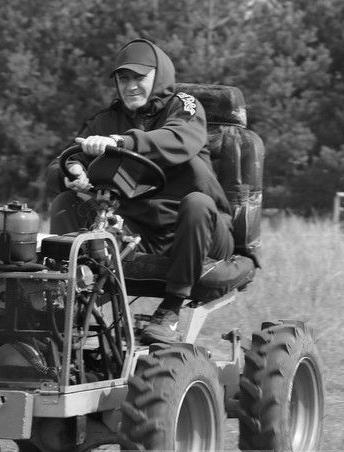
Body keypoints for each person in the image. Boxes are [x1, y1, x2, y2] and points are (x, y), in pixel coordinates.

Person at [45, 38, 233, 343]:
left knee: (196, 203)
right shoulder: (105, 119)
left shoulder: (184, 107)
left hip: (204, 232)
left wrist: (121, 143)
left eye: (138, 78)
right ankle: (68, 304)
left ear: (158, 77)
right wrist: (73, 171)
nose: (130, 86)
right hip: (138, 233)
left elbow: (178, 139)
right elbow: (61, 162)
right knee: (68, 201)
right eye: (123, 78)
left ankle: (171, 311)